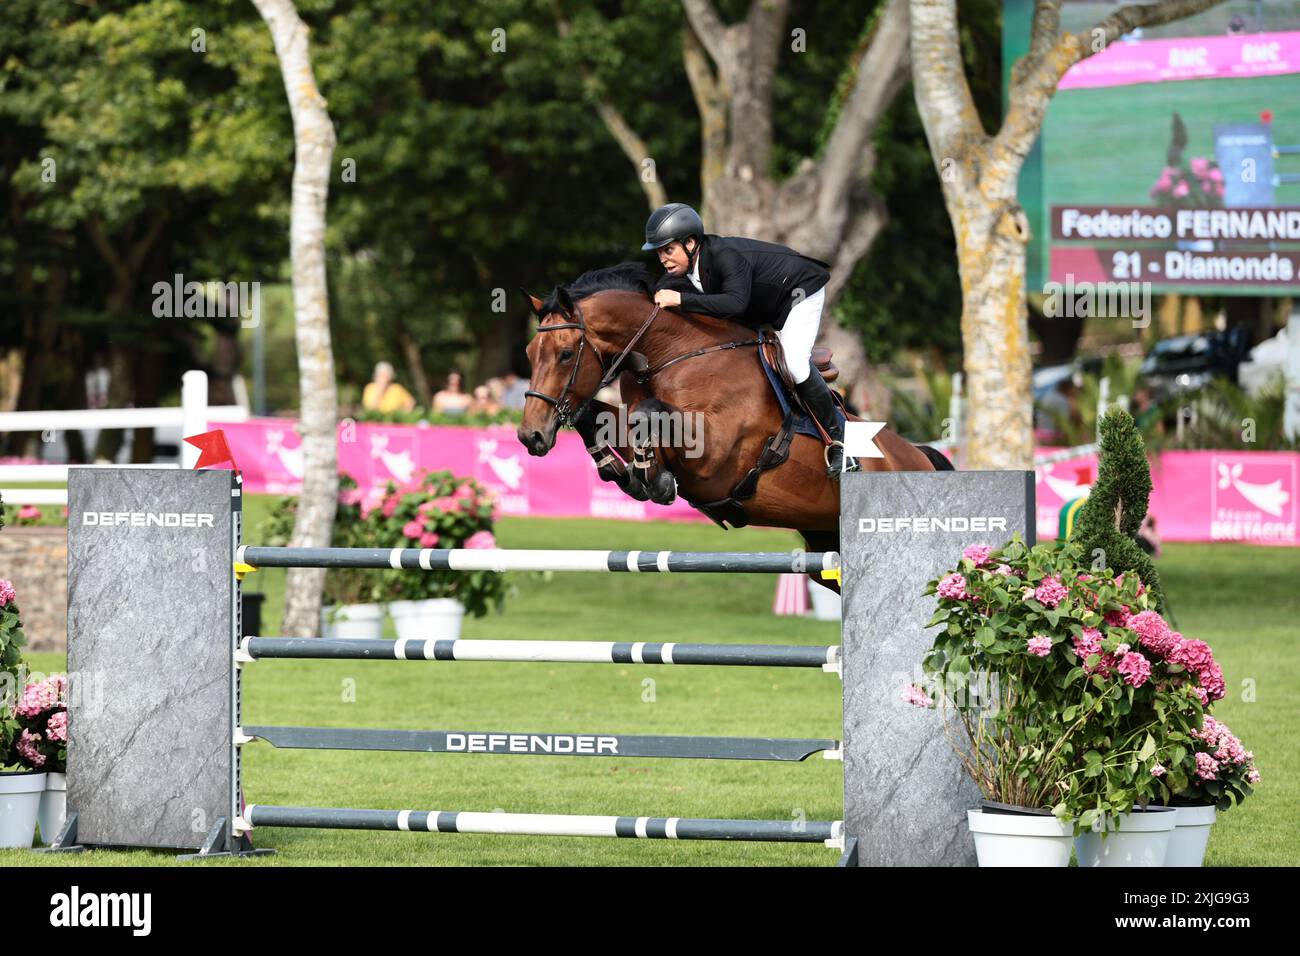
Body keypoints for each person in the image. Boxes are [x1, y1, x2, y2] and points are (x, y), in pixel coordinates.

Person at [641, 202, 854, 475]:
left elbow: (735, 304)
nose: (663, 259)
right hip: (765, 306)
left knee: (795, 363)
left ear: (691, 243)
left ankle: (841, 443)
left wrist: (680, 300)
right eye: (659, 252)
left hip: (799, 293)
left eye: (668, 250)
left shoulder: (726, 256)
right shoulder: (685, 271)